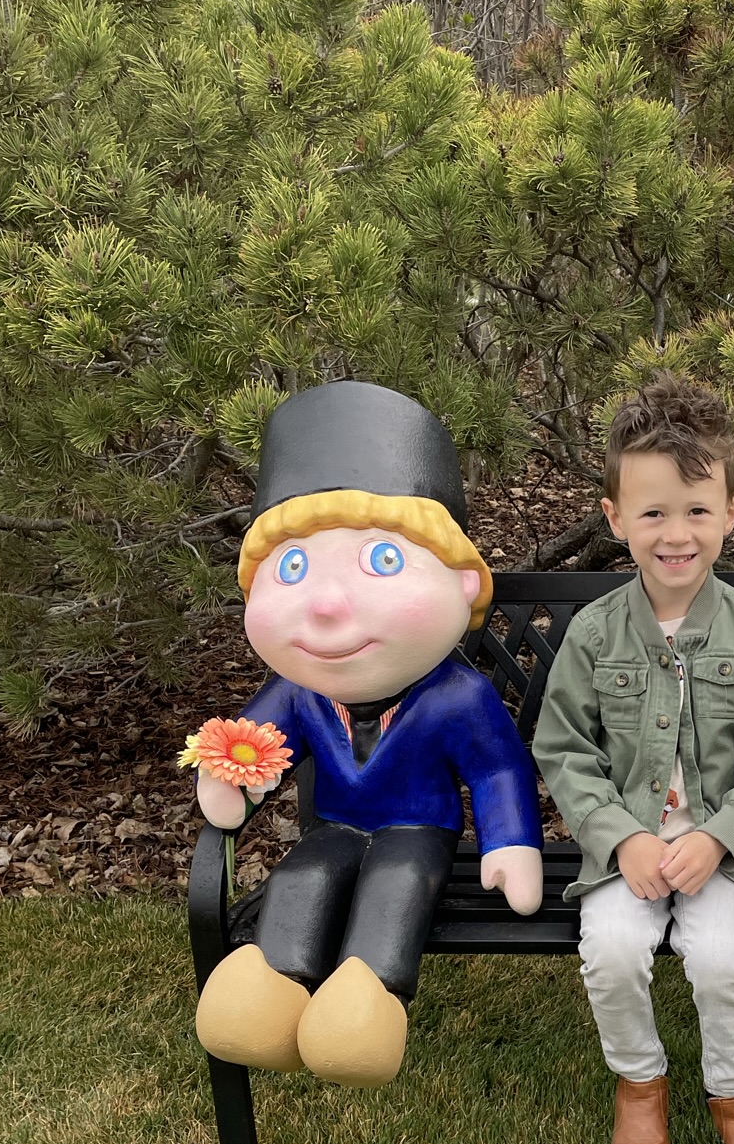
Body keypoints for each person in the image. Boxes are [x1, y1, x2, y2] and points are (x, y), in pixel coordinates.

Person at [192, 381, 543, 1088]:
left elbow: (498, 771)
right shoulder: (298, 691)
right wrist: (231, 784)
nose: (326, 604)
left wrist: (509, 843)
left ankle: (368, 996)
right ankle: (274, 978)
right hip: (334, 826)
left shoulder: (458, 694)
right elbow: (253, 747)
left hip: (419, 830)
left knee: (398, 881)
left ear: (463, 585)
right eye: (293, 567)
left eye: (382, 560)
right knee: (305, 874)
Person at [535, 374, 734, 1144]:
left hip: (722, 851)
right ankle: (640, 1084)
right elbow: (564, 750)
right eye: (653, 513)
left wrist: (719, 836)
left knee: (722, 959)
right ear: (616, 518)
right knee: (613, 950)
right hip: (625, 847)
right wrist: (621, 837)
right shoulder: (594, 634)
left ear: (733, 512)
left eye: (697, 510)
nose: (676, 533)